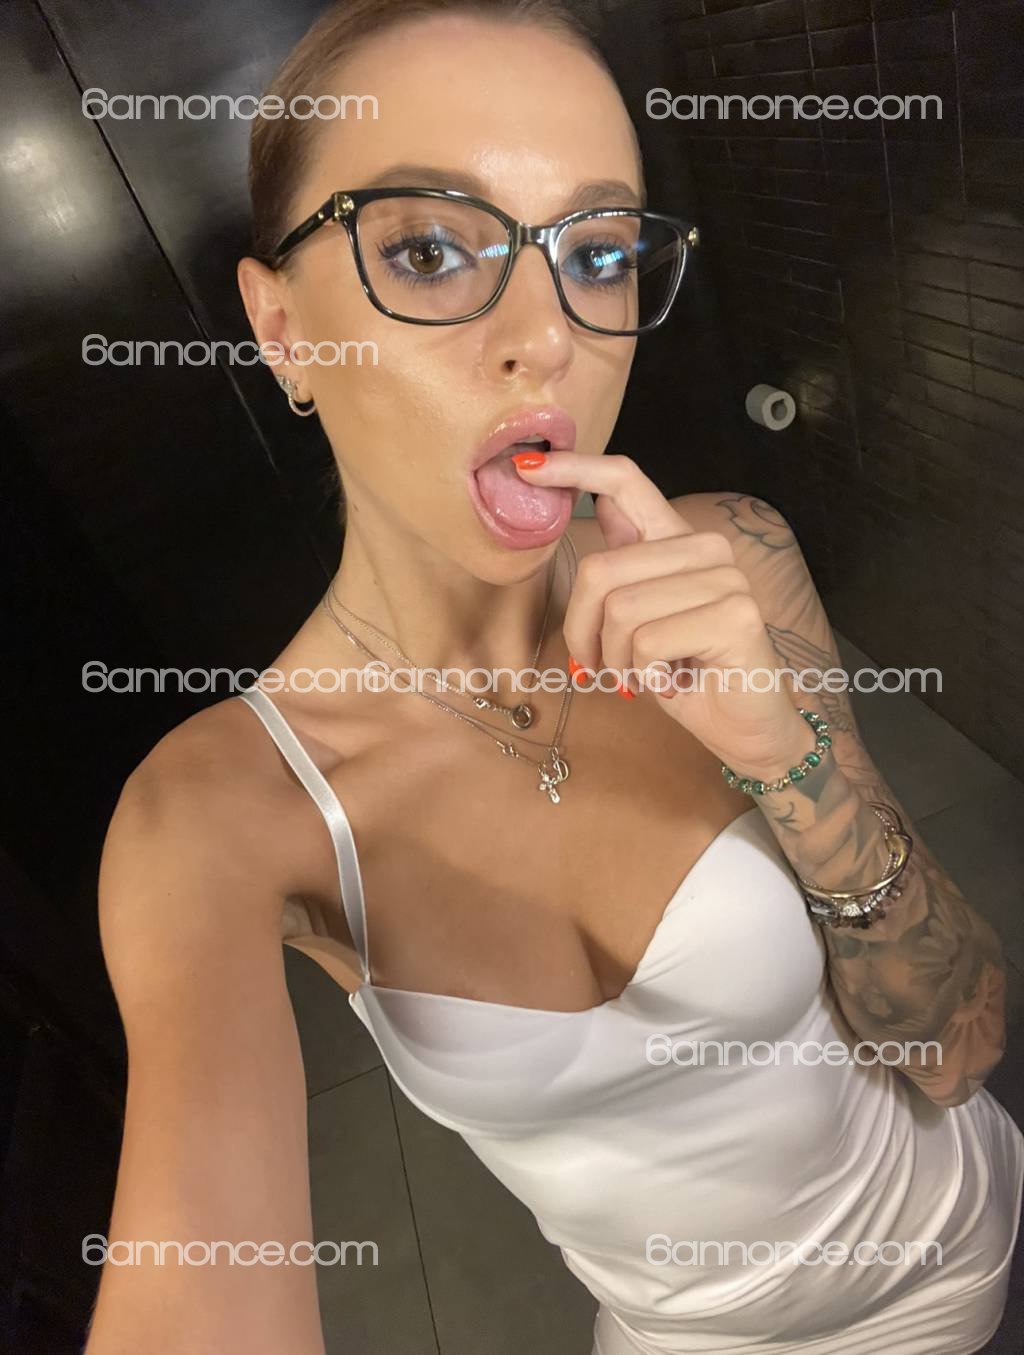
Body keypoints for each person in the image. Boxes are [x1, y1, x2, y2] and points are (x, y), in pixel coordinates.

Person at [86, 3, 1023, 1353]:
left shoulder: (732, 557)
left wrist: (790, 758)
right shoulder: (218, 819)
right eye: (426, 248)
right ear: (282, 328)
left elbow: (960, 1043)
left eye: (597, 254)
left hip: (955, 1244)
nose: (549, 337)